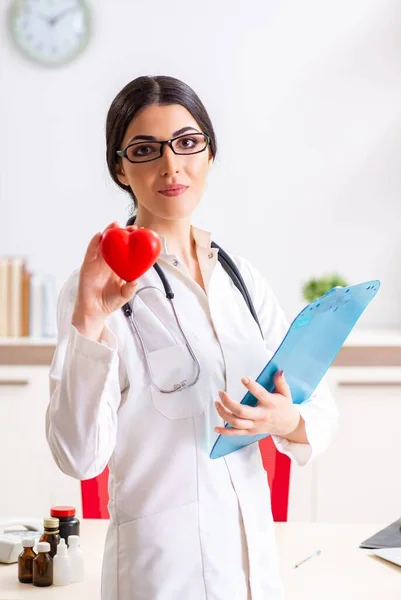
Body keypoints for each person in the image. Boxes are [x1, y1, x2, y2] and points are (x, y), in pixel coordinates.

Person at [46, 75, 338, 600]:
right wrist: (90, 319)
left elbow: (316, 405)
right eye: (144, 149)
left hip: (254, 576)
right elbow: (78, 457)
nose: (170, 165)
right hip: (162, 577)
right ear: (120, 168)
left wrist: (286, 419)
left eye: (186, 142)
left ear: (209, 152)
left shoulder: (240, 278)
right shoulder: (97, 285)